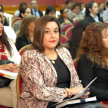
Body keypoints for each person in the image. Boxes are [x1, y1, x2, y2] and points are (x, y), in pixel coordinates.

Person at [17, 16, 89, 108]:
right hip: (39, 103)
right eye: (47, 31)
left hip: (67, 101)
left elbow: (75, 81)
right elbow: (40, 92)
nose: (53, 35)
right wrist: (69, 92)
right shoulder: (30, 56)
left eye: (55, 31)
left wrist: (80, 92)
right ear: (39, 33)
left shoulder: (64, 52)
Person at [77, 22, 108, 101]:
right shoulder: (86, 59)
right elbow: (87, 87)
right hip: (99, 100)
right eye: (106, 37)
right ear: (96, 40)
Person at [0, 15, 21, 107]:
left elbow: (19, 62)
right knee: (23, 98)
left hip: (10, 81)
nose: (1, 26)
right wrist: (2, 66)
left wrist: (16, 67)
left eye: (1, 22)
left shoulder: (8, 43)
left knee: (17, 84)